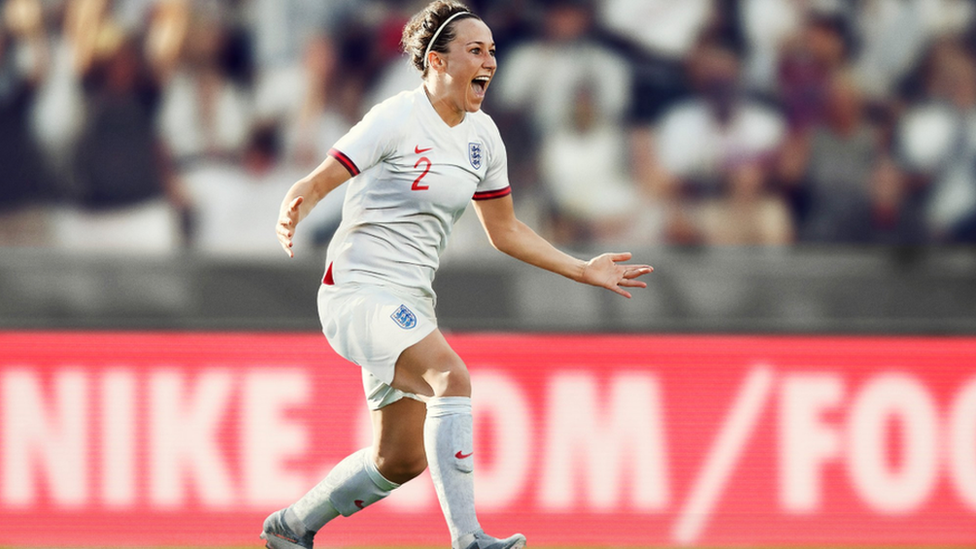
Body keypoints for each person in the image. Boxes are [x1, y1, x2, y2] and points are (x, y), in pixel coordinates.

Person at [259, 3, 653, 549]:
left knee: (399, 459)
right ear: (436, 61)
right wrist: (293, 205)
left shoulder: (484, 137)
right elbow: (322, 178)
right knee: (452, 377)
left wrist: (582, 269)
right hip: (356, 293)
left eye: (492, 50)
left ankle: (294, 524)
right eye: (476, 50)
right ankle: (468, 539)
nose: (490, 60)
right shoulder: (394, 118)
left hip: (409, 303)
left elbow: (506, 230)